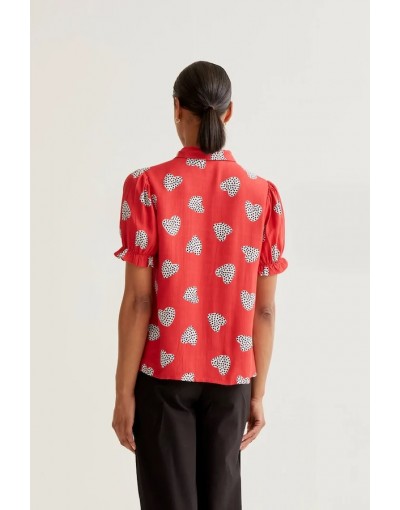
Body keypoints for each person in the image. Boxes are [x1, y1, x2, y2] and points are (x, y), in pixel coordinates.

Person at [111, 60, 288, 510]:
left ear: (176, 109)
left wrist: (123, 393)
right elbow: (264, 310)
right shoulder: (262, 194)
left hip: (164, 379)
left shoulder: (146, 186)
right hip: (232, 379)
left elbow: (139, 301)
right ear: (229, 112)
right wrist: (257, 392)